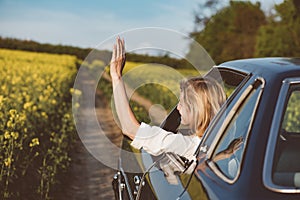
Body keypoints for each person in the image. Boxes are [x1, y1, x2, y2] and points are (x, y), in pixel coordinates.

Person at [110, 37, 226, 161]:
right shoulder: (220, 141)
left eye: (181, 103)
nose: (177, 107)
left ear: (196, 109)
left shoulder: (188, 145)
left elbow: (130, 129)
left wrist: (116, 76)